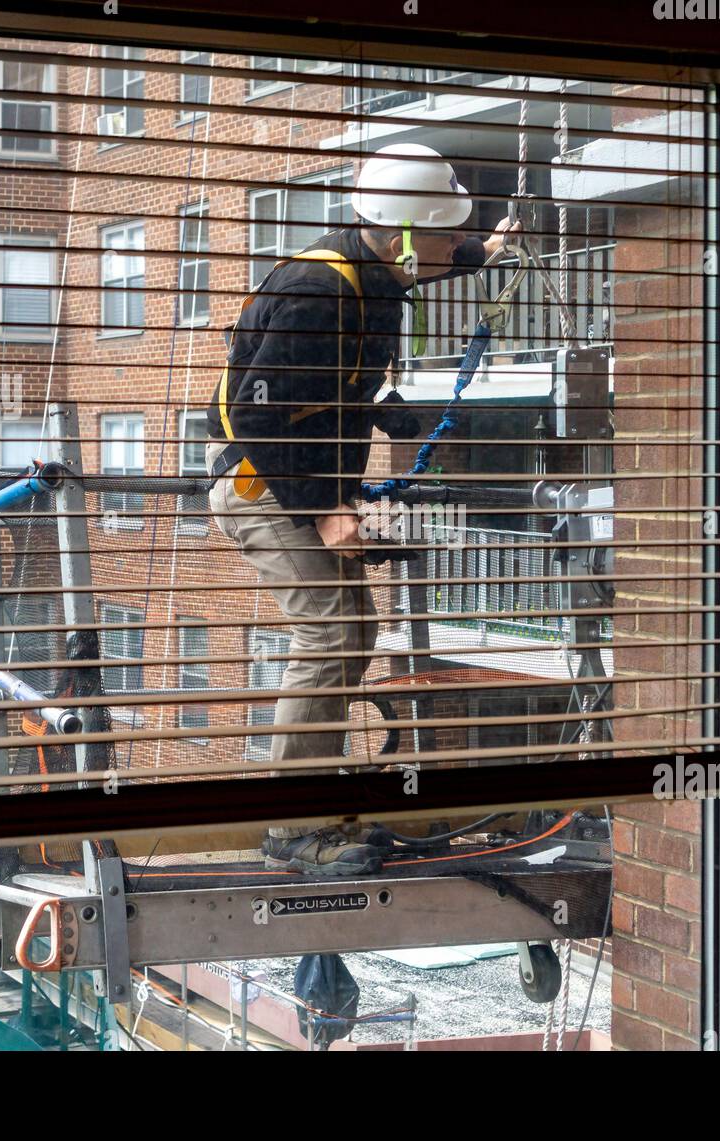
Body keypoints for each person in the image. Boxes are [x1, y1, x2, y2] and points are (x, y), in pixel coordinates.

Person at [206, 143, 519, 876]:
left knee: (357, 628)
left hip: (299, 484)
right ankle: (292, 826)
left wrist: (379, 410)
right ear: (398, 233)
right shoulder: (318, 290)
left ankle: (317, 800)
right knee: (326, 628)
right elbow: (255, 415)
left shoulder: (378, 271)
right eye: (441, 235)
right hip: (263, 485)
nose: (450, 248)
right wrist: (323, 511)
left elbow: (433, 261)